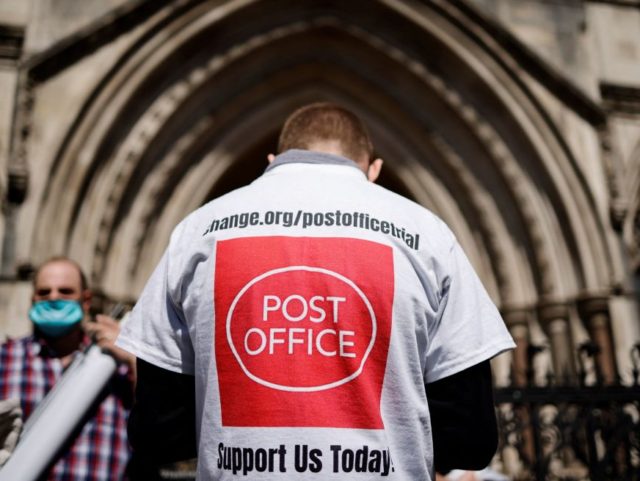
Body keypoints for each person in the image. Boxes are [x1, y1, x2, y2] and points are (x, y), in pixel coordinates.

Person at [117, 102, 516, 480]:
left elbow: (159, 430)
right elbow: (469, 437)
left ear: (271, 164)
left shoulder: (197, 231)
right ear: (373, 170)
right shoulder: (426, 234)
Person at [0, 256, 134, 480]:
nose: (53, 298)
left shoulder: (117, 364)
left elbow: (163, 422)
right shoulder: (5, 360)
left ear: (86, 300)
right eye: (44, 292)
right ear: (32, 299)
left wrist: (133, 358)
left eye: (65, 291)